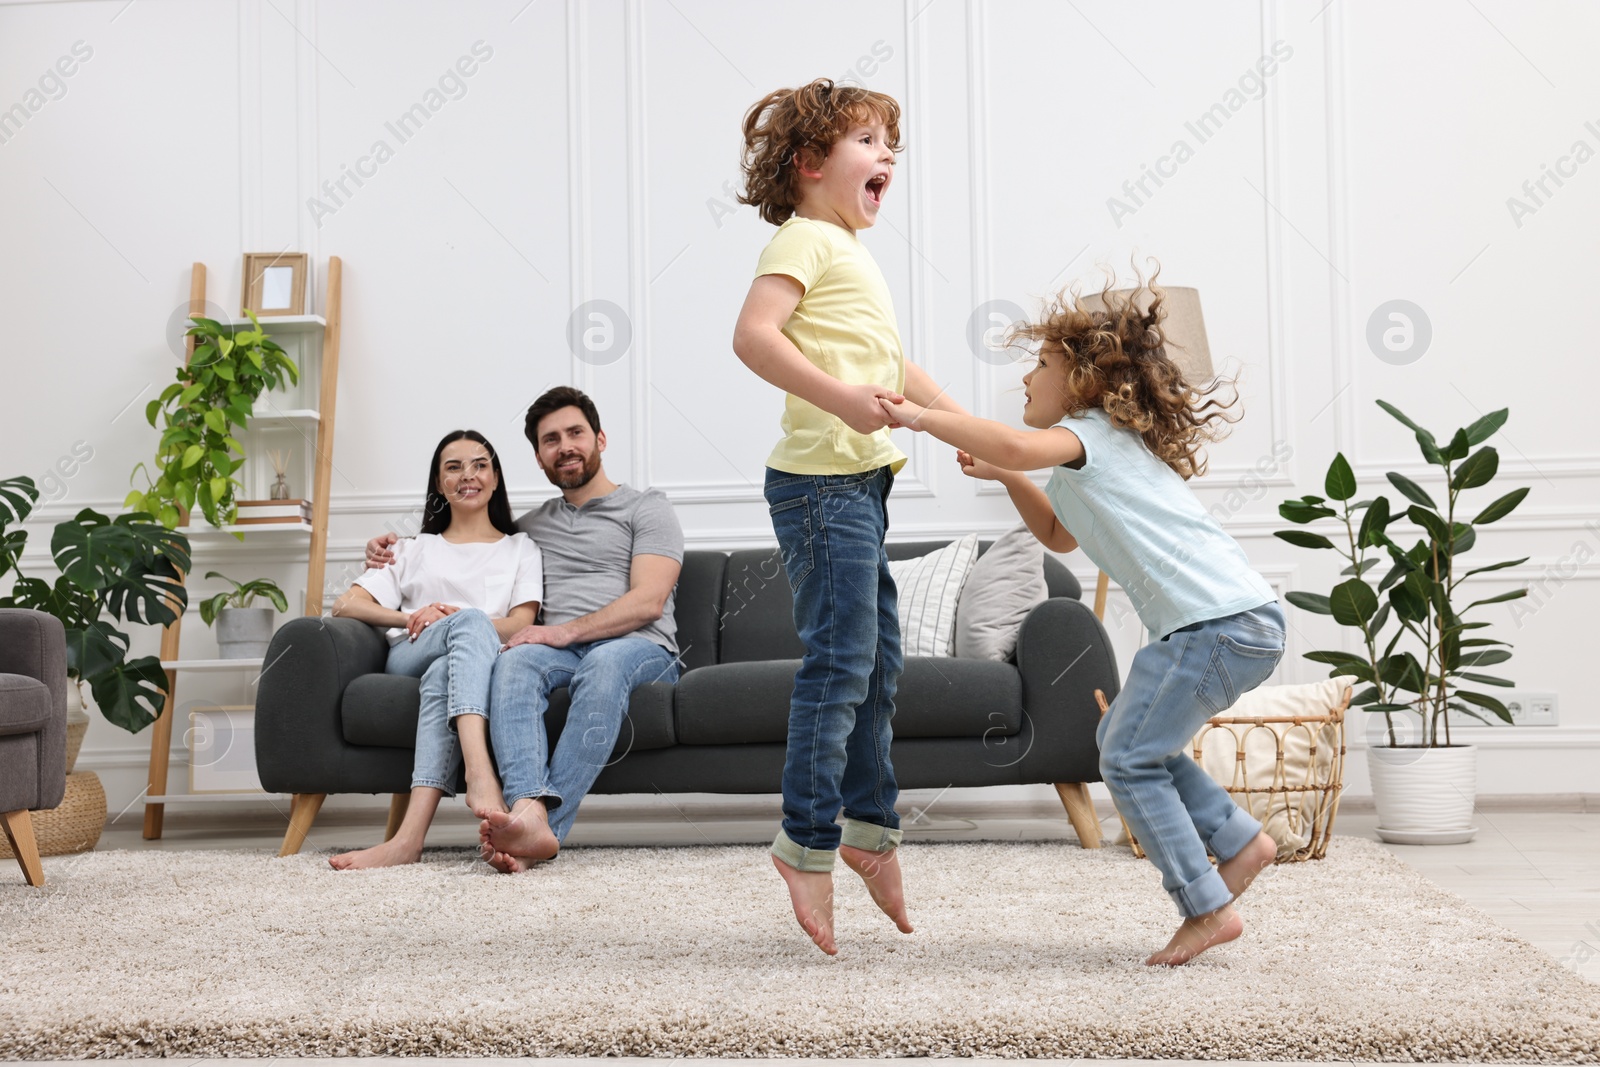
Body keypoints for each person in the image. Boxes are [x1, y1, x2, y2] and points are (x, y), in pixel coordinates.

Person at [879, 274, 1285, 966]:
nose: (1028, 377)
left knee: (1126, 754)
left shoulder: (1090, 434)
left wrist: (918, 417)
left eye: (1042, 365)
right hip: (1231, 623)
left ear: (1085, 381)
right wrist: (1006, 476)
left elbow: (1010, 442)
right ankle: (1240, 840)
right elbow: (1058, 535)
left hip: (1215, 623)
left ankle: (1206, 904)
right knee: (1126, 741)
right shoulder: (1081, 461)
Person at [730, 78, 969, 955]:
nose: (888, 157)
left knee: (878, 661)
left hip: (860, 483)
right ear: (810, 163)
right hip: (821, 486)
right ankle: (806, 841)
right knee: (840, 661)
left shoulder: (846, 250)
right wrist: (843, 401)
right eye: (868, 142)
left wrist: (955, 427)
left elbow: (891, 362)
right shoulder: (802, 238)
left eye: (889, 144)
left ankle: (870, 832)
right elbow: (754, 337)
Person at [364, 387, 684, 873]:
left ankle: (544, 827)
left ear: (599, 438)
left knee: (601, 661)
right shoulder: (530, 530)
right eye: (550, 440)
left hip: (638, 649)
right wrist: (392, 548)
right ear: (539, 458)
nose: (565, 446)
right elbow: (470, 532)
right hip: (560, 653)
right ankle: (522, 819)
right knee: (513, 663)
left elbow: (649, 601)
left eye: (575, 433)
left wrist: (562, 632)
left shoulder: (647, 508)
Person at [329, 430, 542, 870]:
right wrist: (411, 617)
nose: (468, 475)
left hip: (471, 662)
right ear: (439, 483)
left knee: (449, 665)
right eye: (454, 467)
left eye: (480, 465)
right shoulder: (411, 548)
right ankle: (479, 772)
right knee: (465, 625)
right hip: (409, 654)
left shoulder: (520, 548)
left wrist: (459, 621)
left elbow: (521, 625)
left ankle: (407, 841)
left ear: (496, 478)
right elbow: (346, 604)